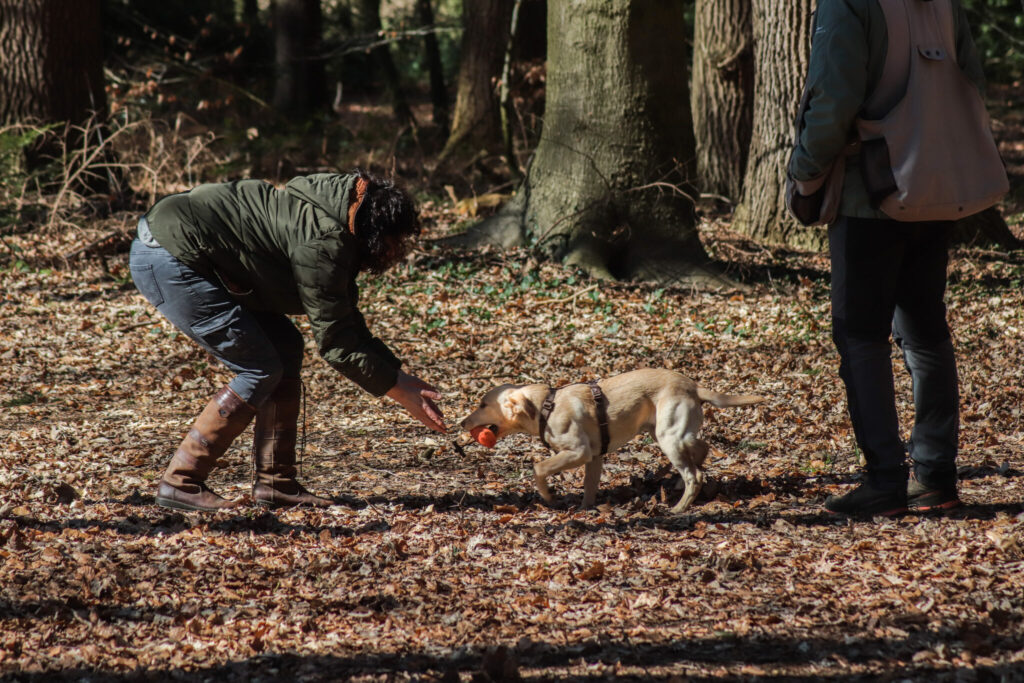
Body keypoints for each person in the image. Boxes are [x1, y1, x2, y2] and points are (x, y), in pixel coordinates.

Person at [129, 171, 447, 512]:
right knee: (259, 368)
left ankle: (275, 484)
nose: (395, 253)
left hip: (191, 250)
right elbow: (336, 342)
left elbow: (344, 318)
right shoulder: (324, 242)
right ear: (375, 231)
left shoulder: (336, 212)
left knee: (285, 347)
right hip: (170, 254)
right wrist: (395, 387)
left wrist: (396, 373)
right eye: (394, 243)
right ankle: (181, 482)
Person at [788, 0, 988, 516]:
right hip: (936, 185)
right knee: (925, 330)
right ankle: (936, 476)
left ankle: (883, 481)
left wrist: (804, 174)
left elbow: (833, 97)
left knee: (860, 336)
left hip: (869, 191)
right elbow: (971, 81)